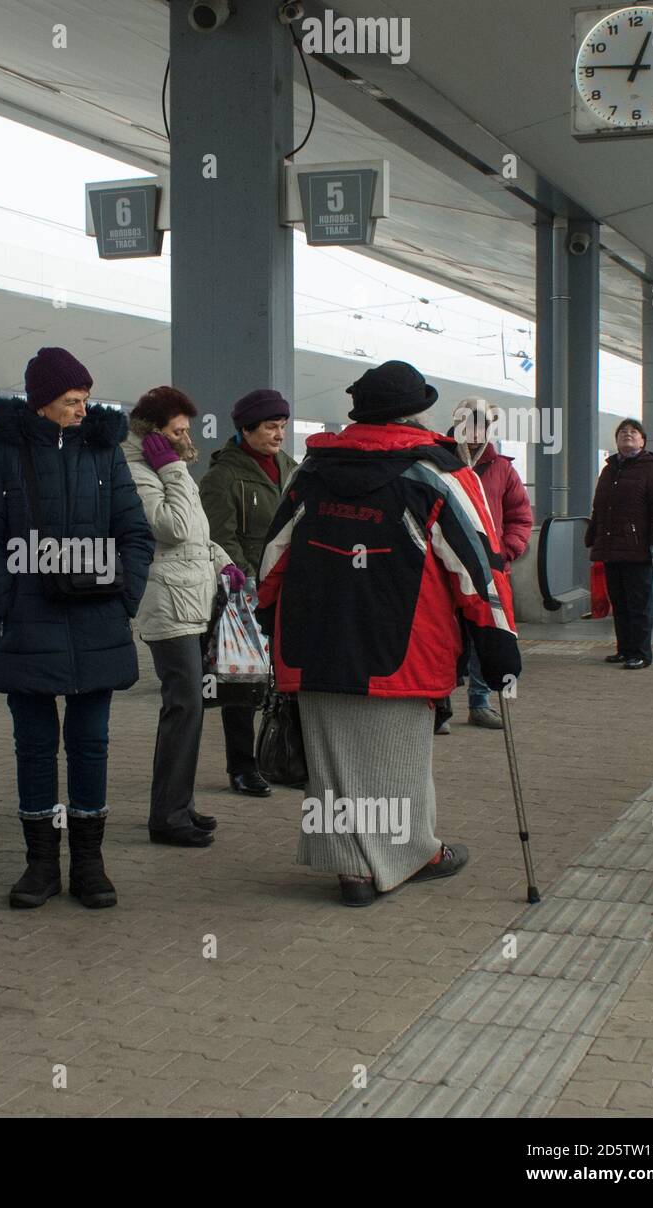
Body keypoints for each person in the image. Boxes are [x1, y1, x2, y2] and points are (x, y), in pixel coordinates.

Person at [254, 360, 521, 907]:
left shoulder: (312, 471)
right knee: (400, 759)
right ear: (415, 410)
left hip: (314, 640)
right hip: (404, 648)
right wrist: (498, 642)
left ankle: (350, 869)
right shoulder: (439, 475)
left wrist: (264, 614)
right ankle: (411, 853)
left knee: (333, 761)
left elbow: (273, 554)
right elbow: (477, 568)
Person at [0, 347, 154, 910]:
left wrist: (125, 600)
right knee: (35, 746)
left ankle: (90, 864)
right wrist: (5, 601)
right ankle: (40, 865)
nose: (81, 409)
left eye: (85, 400)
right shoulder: (1, 454)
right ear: (42, 402)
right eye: (71, 401)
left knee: (91, 745)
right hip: (25, 623)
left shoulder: (105, 453)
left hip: (97, 621)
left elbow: (135, 535)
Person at [122, 386, 246, 847]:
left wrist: (220, 561)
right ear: (155, 434)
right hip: (167, 604)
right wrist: (171, 469)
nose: (186, 438)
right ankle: (167, 816)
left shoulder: (167, 470)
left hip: (190, 599)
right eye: (178, 431)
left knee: (189, 708)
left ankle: (180, 804)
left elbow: (196, 535)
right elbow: (172, 529)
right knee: (184, 706)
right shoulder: (140, 472)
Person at [199, 389, 299, 797]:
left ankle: (286, 755)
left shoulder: (291, 469)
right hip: (244, 596)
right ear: (246, 429)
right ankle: (242, 767)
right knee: (242, 683)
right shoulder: (222, 476)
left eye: (283, 427)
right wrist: (247, 582)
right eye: (271, 427)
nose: (279, 435)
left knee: (289, 679)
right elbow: (220, 537)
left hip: (289, 591)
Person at [447, 396, 533, 730]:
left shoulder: (502, 468)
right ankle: (440, 705)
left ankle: (479, 703)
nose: (474, 433)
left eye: (481, 426)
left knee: (489, 636)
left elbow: (520, 516)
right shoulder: (439, 461)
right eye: (467, 425)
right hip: (446, 568)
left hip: (489, 568)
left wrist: (506, 551)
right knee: (445, 636)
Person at [586, 418, 653, 670]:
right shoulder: (610, 469)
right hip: (611, 547)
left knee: (639, 604)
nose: (627, 435)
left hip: (639, 549)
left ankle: (642, 653)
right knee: (619, 602)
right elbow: (599, 507)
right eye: (623, 432)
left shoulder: (651, 468)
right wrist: (592, 536)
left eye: (634, 432)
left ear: (643, 440)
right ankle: (624, 650)